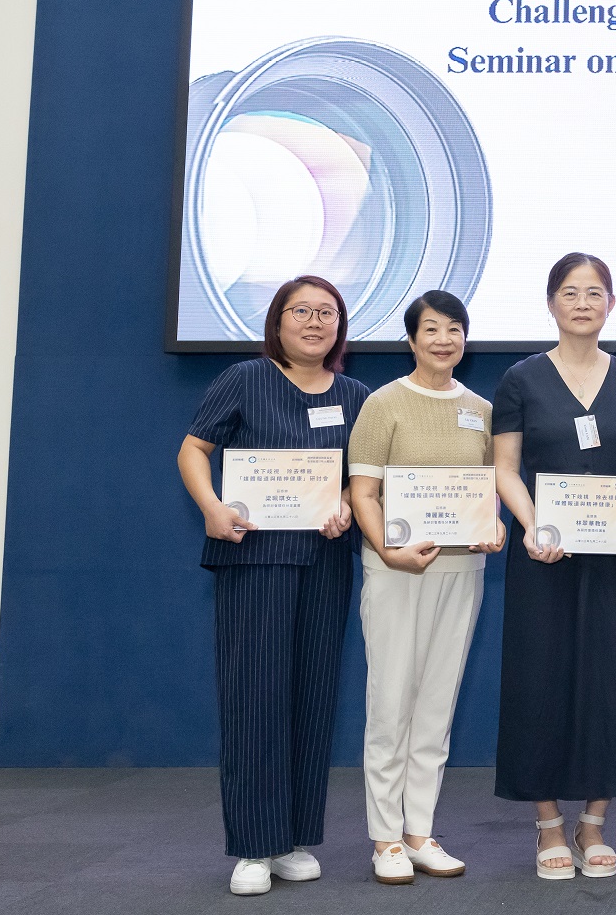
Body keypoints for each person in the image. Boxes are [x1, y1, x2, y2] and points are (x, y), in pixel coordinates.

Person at [176, 276, 366, 897]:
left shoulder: (356, 395)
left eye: (327, 312)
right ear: (277, 321)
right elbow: (194, 449)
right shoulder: (244, 379)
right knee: (255, 697)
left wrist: (343, 502)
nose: (314, 321)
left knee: (312, 696)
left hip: (324, 560)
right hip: (252, 556)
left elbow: (362, 478)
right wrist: (210, 505)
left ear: (340, 324)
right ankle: (253, 846)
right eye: (301, 311)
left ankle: (290, 840)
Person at [493, 254, 616, 879]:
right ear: (551, 303)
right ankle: (547, 825)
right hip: (545, 557)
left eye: (595, 292)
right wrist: (533, 523)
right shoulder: (521, 379)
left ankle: (593, 821)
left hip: (613, 558)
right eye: (571, 292)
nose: (583, 303)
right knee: (540, 683)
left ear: (611, 303)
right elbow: (504, 467)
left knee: (609, 681)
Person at [346, 290, 505, 884]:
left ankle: (420, 832)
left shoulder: (483, 410)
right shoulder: (382, 404)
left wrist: (494, 527)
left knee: (436, 704)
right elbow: (364, 492)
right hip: (394, 570)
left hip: (461, 571)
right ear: (411, 340)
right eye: (431, 329)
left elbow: (489, 490)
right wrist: (389, 551)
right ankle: (385, 837)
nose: (444, 340)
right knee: (391, 703)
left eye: (454, 329)